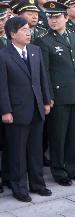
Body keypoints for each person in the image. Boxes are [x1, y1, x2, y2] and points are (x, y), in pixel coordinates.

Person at [34, 1, 75, 187]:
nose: (53, 20)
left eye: (57, 16)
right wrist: (48, 97)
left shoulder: (74, 37)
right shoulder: (43, 40)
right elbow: (45, 73)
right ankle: (59, 171)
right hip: (58, 96)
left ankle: (74, 169)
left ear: (66, 17)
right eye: (50, 16)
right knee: (58, 136)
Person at [0, 16, 52, 202]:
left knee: (35, 150)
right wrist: (5, 111)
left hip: (36, 108)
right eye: (23, 29)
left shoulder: (35, 51)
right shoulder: (4, 55)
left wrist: (47, 100)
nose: (28, 32)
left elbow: (42, 78)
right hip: (17, 111)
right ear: (13, 34)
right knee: (17, 152)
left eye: (28, 29)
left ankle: (38, 184)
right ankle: (19, 187)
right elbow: (2, 87)